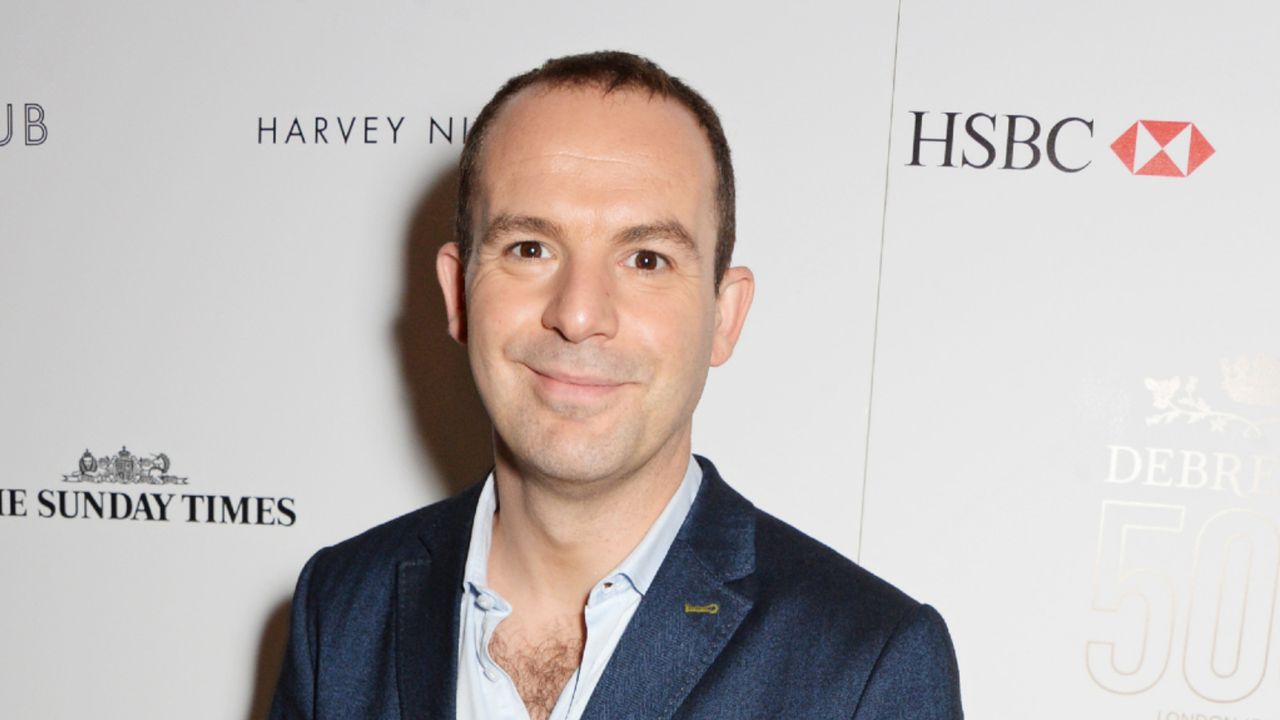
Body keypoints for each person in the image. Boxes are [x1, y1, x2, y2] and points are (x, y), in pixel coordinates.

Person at [270, 50, 962, 720]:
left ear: (725, 316)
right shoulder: (340, 607)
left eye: (646, 259)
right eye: (530, 248)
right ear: (459, 293)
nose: (578, 314)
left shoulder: (866, 664)